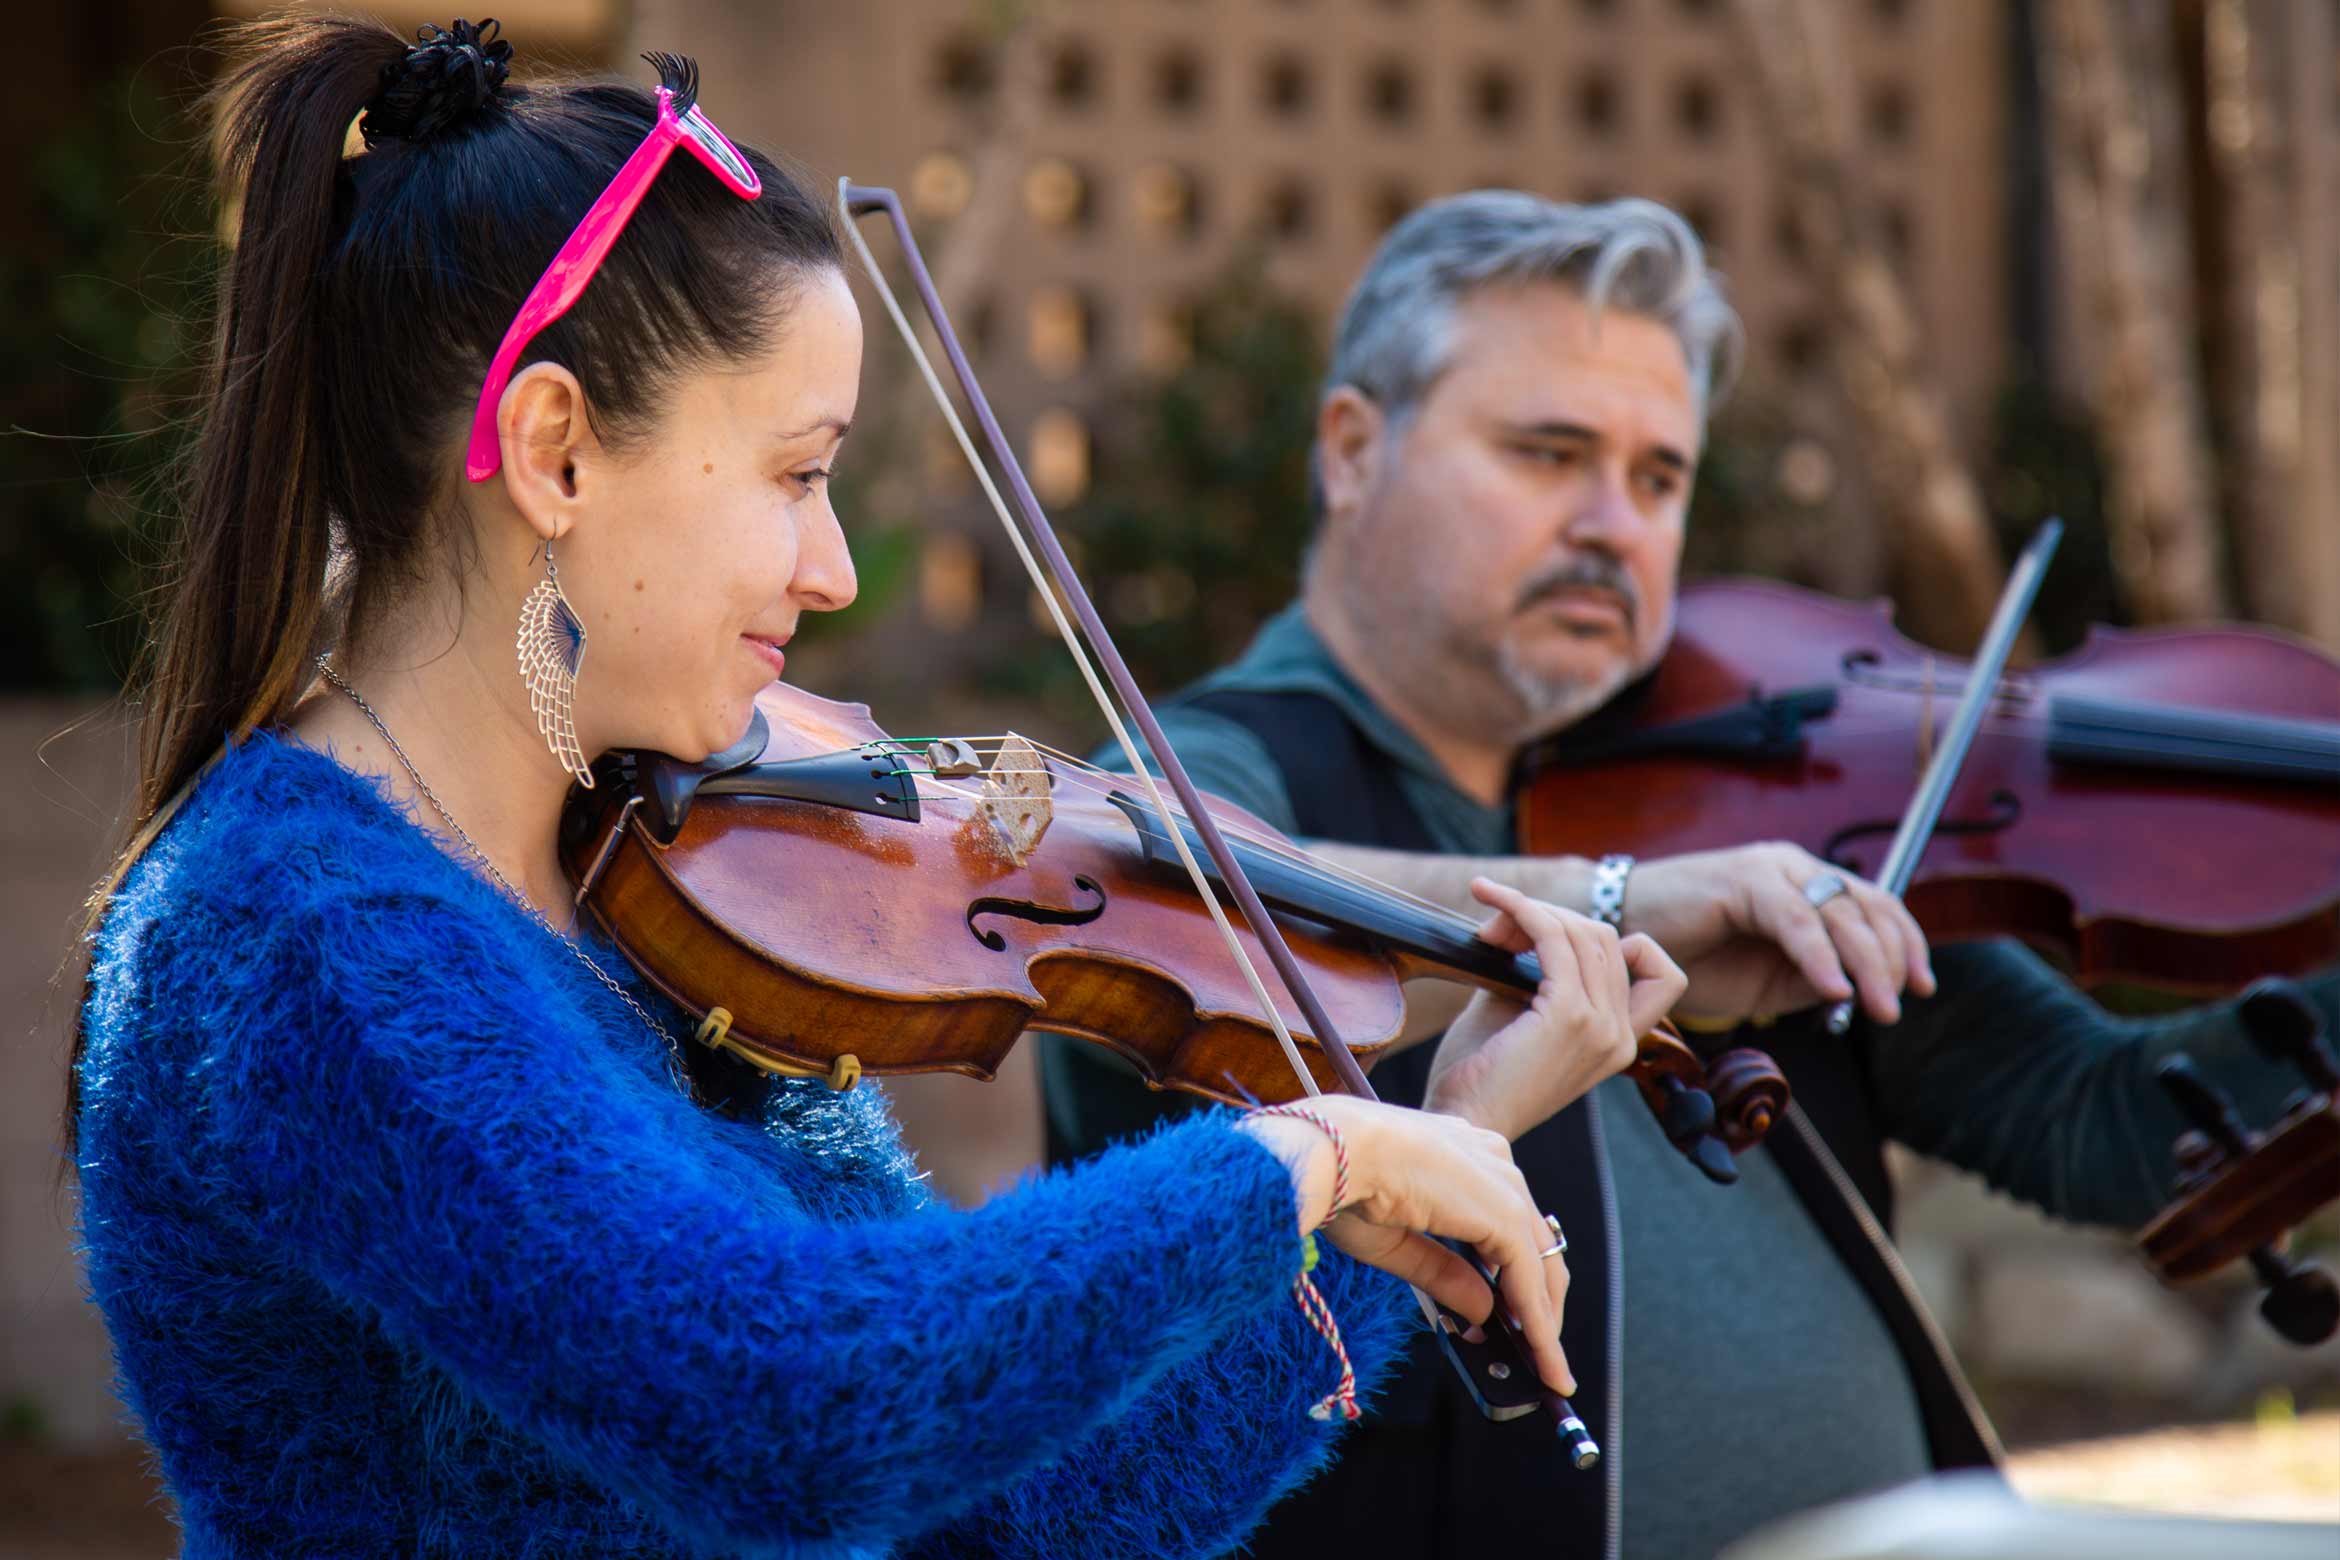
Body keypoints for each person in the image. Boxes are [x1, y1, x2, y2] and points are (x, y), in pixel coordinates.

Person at [68, 24, 1692, 1559]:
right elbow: (806, 1400)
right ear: (556, 450)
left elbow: (1029, 1520)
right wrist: (1304, 1160)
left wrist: (1438, 1138)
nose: (836, 568)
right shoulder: (301, 940)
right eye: (797, 473)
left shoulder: (672, 888)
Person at [1040, 190, 2340, 1559]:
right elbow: (1170, 906)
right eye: (1550, 454)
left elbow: (2113, 1127)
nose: (1616, 524)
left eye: (1659, 478)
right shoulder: (1205, 773)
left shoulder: (1743, 780)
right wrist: (1610, 903)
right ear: (1355, 450)